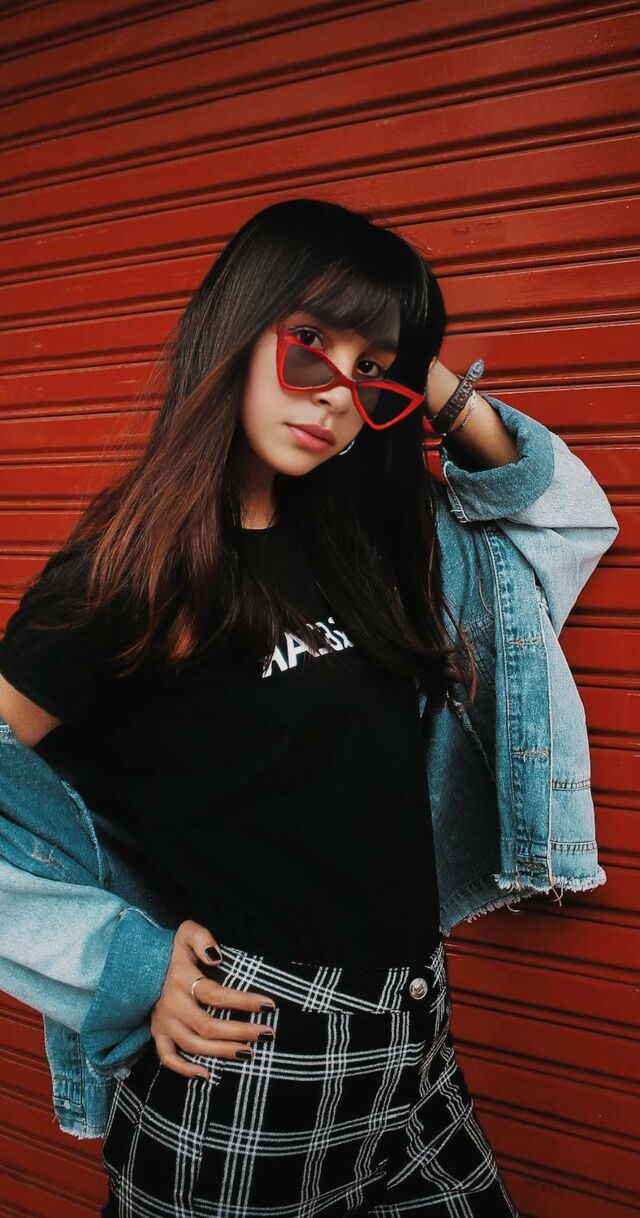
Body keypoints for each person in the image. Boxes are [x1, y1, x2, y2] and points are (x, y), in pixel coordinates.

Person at [0, 198, 618, 1216]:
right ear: (235, 328)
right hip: (251, 1068)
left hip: (417, 1045)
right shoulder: (121, 583)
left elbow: (564, 520)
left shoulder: (377, 540)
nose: (335, 394)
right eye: (307, 345)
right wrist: (117, 961)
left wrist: (420, 370)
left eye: (369, 373)